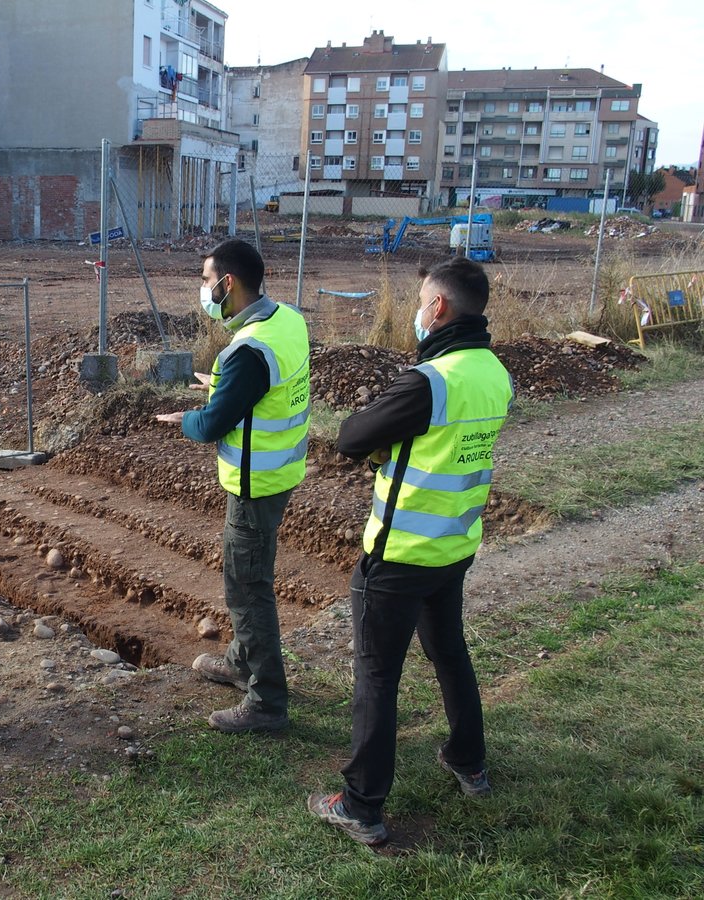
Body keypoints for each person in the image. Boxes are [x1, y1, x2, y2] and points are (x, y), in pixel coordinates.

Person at [308, 257, 513, 845]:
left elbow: (351, 437)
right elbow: (444, 449)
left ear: (439, 308)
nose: (418, 311)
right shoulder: (495, 373)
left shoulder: (431, 380)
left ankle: (361, 805)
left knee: (376, 674)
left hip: (398, 557)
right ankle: (468, 761)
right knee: (449, 652)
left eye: (422, 300)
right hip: (454, 546)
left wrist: (380, 440)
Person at [155, 239, 311, 733]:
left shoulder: (246, 350)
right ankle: (243, 663)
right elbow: (265, 390)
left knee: (248, 588)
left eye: (205, 281)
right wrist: (223, 387)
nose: (203, 290)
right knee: (244, 578)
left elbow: (210, 427)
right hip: (279, 474)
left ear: (228, 284)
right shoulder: (288, 320)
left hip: (254, 484)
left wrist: (186, 418)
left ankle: (267, 702)